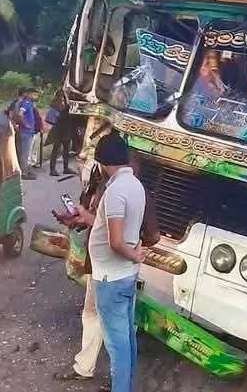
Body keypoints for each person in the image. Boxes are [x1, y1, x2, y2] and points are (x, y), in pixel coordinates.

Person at [54, 150, 159, 392]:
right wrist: (79, 219)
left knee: (118, 337)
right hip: (103, 268)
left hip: (114, 273)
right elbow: (102, 224)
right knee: (96, 317)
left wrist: (133, 249)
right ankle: (88, 368)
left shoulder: (128, 191)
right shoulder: (111, 187)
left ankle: (120, 383)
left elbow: (141, 237)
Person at [46, 92, 77, 176]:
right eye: (62, 98)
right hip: (59, 130)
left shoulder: (64, 106)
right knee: (56, 150)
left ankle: (65, 168)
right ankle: (52, 169)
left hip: (66, 130)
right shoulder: (57, 107)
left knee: (66, 150)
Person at [16, 87, 41, 180]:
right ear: (29, 94)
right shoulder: (26, 103)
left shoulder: (30, 104)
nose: (36, 96)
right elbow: (20, 114)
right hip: (26, 132)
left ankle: (26, 170)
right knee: (25, 154)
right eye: (34, 94)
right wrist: (26, 124)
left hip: (29, 132)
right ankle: (24, 173)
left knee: (26, 153)